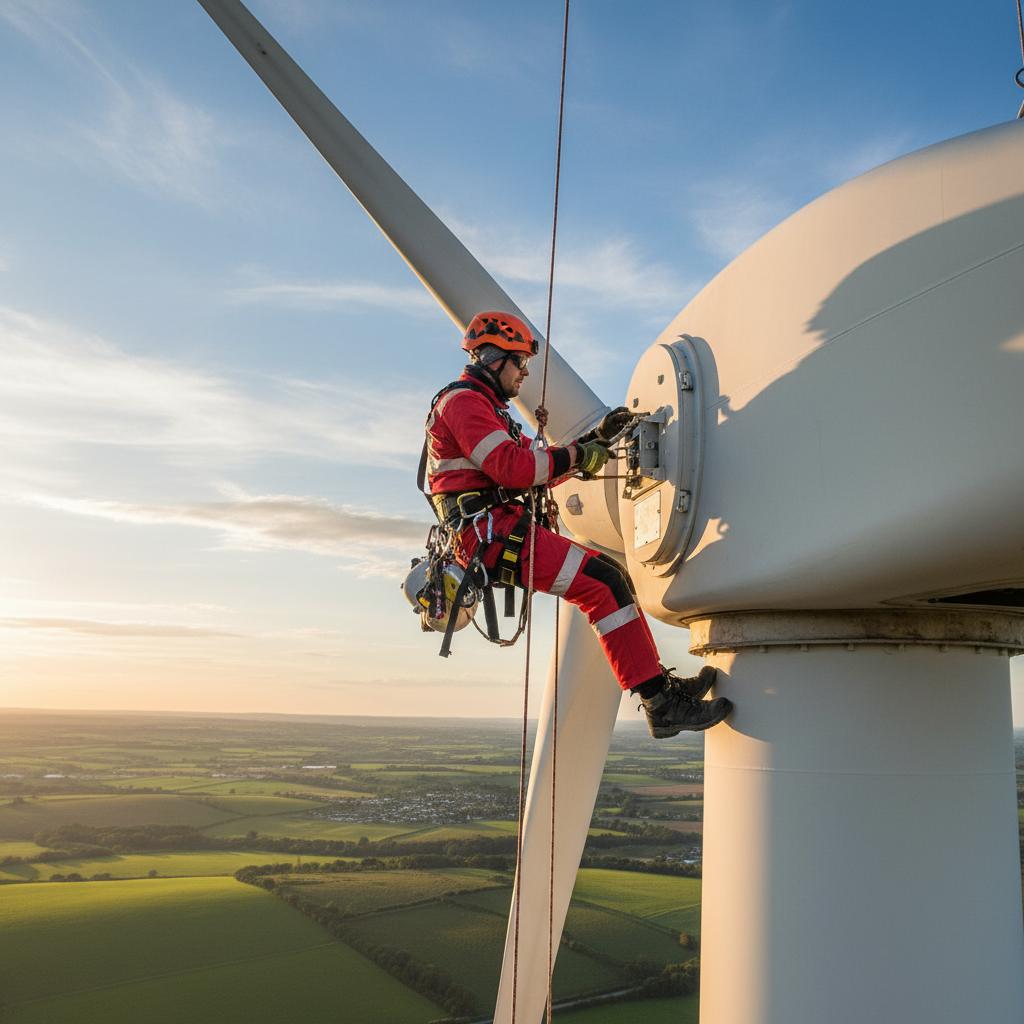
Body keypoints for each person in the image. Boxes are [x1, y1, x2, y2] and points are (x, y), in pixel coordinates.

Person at [424, 311, 733, 737]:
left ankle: (659, 687)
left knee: (611, 580)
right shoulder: (464, 404)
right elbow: (513, 469)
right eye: (520, 364)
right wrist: (577, 455)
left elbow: (529, 471)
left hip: (497, 529)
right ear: (493, 359)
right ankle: (660, 704)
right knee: (603, 584)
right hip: (490, 534)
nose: (525, 375)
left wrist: (593, 443)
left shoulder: (480, 406)